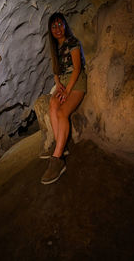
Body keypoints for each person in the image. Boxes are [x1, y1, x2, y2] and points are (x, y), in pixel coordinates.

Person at [41, 12, 87, 185]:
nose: (58, 29)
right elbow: (56, 72)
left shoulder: (72, 42)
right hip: (65, 83)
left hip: (77, 82)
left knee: (62, 113)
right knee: (52, 104)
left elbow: (76, 68)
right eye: (54, 26)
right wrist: (58, 83)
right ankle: (61, 145)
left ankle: (57, 160)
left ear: (65, 25)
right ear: (50, 30)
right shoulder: (55, 49)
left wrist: (67, 91)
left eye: (60, 24)